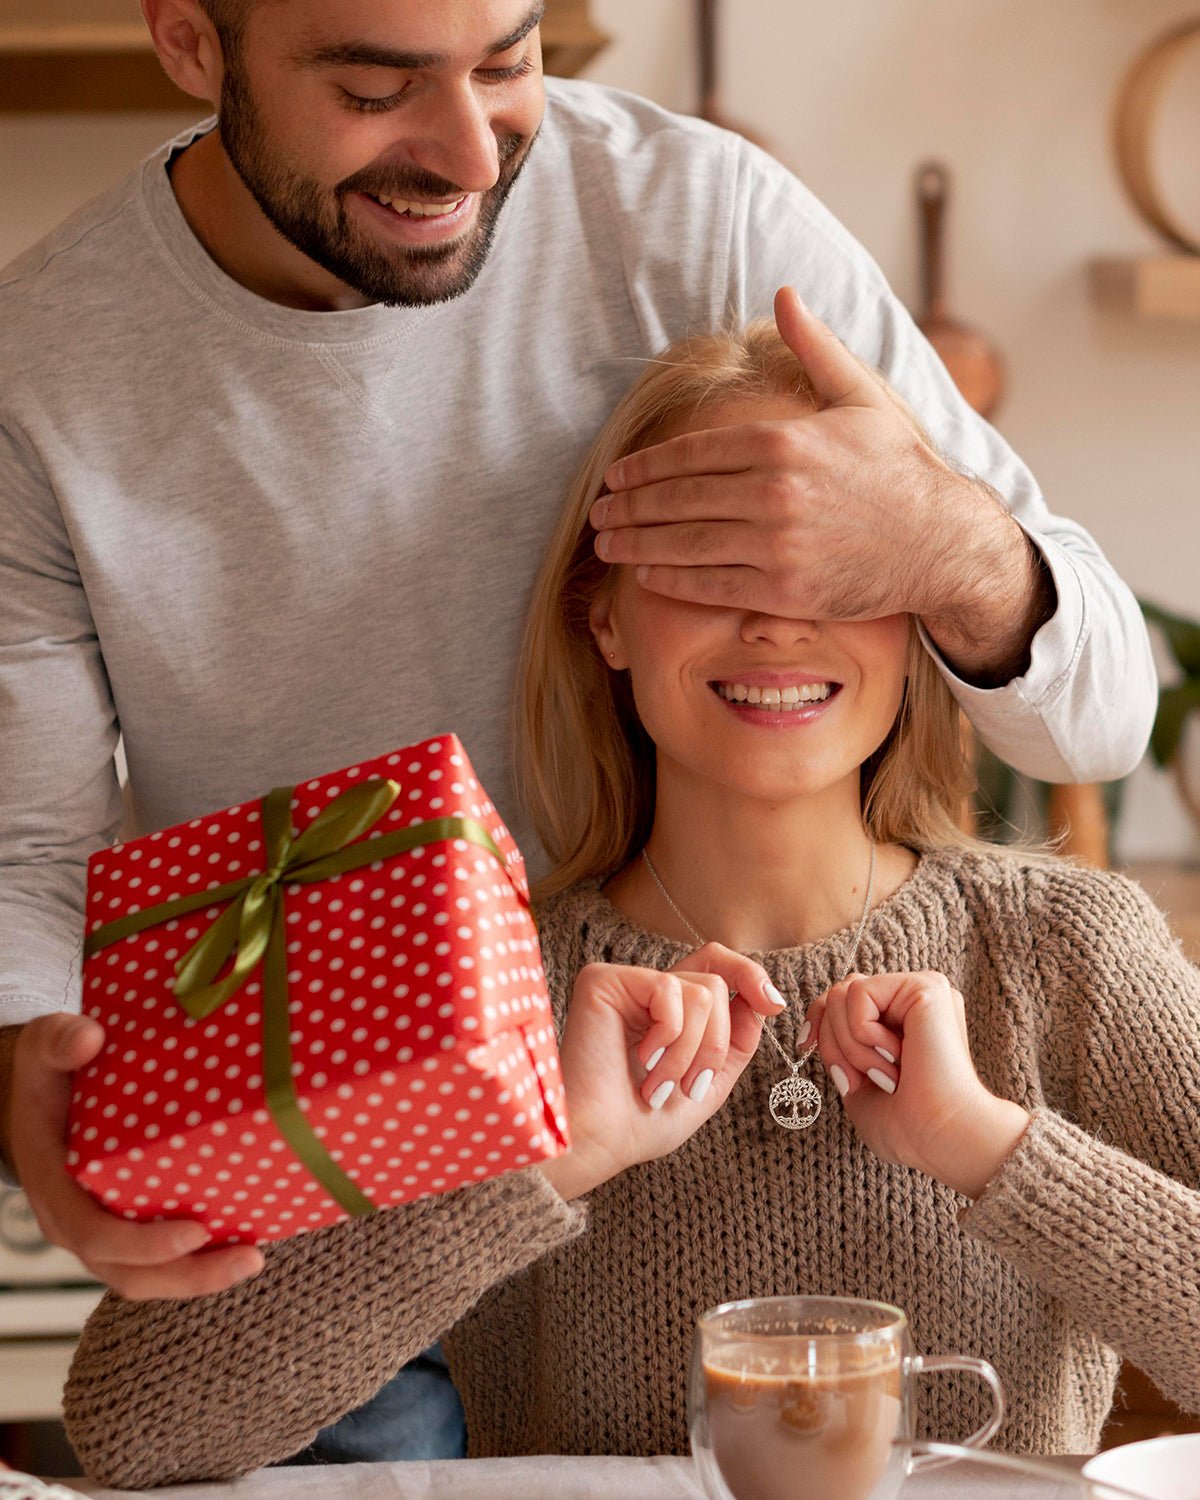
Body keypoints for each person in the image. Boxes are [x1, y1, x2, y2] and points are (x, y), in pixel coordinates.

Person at [0, 0, 1155, 1317]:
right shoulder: (37, 369)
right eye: (377, 92)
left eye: (507, 64)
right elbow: (24, 863)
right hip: (327, 1191)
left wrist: (949, 545)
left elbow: (1100, 715)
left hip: (671, 1141)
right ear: (191, 44)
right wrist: (28, 1095)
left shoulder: (702, 222)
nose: (472, 160)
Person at [62, 318, 1199, 1489]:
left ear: (917, 624)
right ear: (602, 616)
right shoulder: (486, 985)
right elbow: (132, 1425)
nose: (775, 620)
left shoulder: (1070, 954)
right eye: (713, 567)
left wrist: (990, 1147)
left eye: (837, 571)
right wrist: (552, 1160)